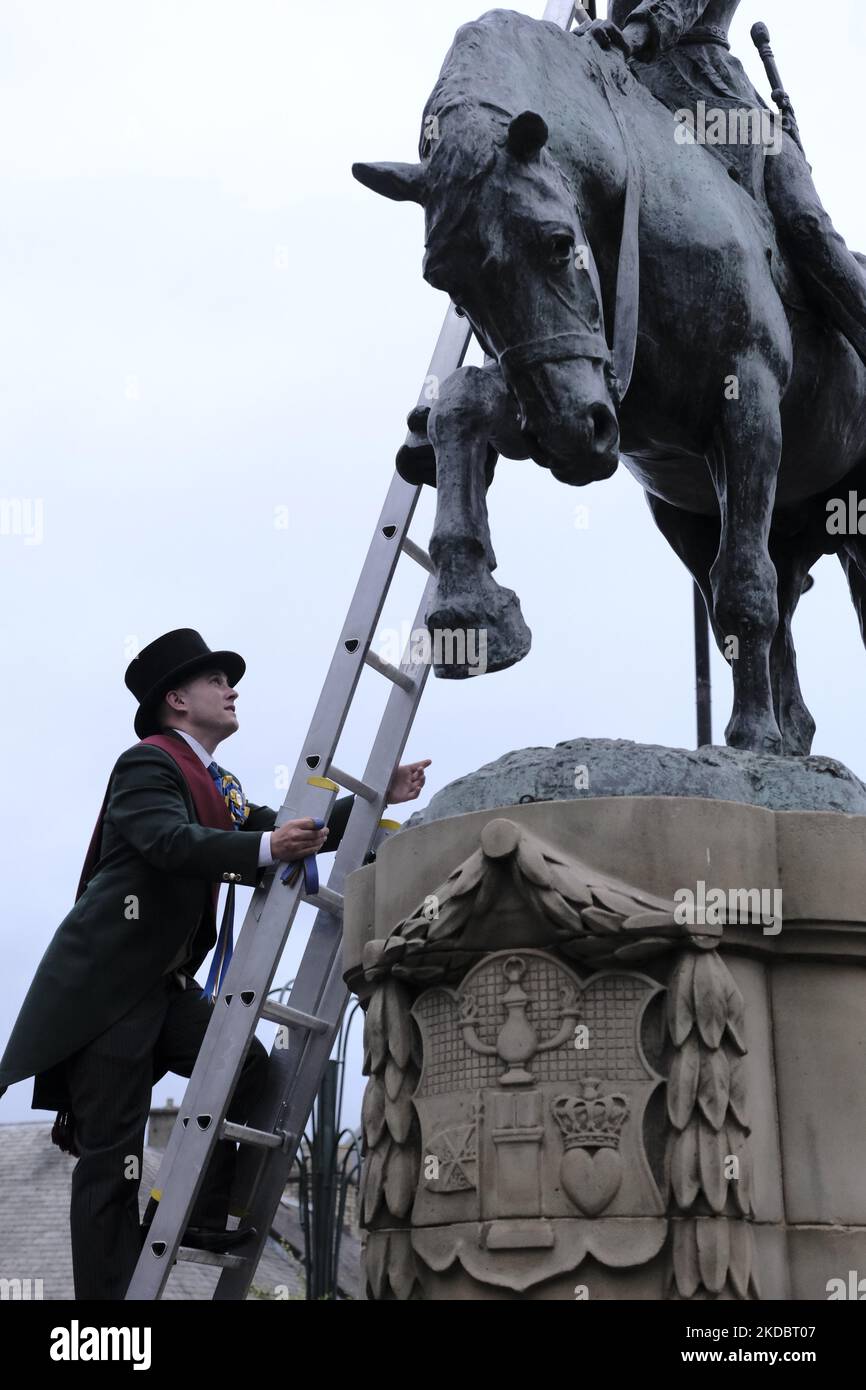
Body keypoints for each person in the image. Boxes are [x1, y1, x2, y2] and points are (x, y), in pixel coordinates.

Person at [0, 627, 430, 1299]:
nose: (231, 691)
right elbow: (169, 842)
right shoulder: (147, 764)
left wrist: (375, 795)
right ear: (177, 700)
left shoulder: (215, 781)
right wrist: (265, 848)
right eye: (215, 682)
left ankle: (197, 1215)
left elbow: (283, 823)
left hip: (161, 992)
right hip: (108, 996)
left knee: (248, 1067)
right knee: (112, 1164)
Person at [582, 0, 866, 367]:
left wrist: (627, 38)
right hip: (632, 93)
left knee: (805, 223)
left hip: (713, 96)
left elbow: (677, 6)